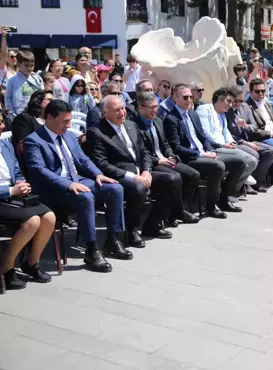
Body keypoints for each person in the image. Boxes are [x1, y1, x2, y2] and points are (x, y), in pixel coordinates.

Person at [24, 100, 128, 272]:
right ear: (49, 118)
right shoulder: (33, 141)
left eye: (70, 120)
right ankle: (91, 248)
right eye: (65, 121)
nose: (69, 125)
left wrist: (98, 175)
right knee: (86, 197)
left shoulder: (69, 136)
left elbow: (83, 160)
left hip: (77, 180)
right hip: (54, 188)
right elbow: (38, 170)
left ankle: (113, 238)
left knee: (115, 189)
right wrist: (68, 184)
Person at [87, 95, 181, 244]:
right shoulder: (97, 132)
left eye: (123, 108)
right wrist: (132, 176)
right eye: (116, 110)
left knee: (172, 180)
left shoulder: (131, 125)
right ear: (105, 114)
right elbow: (102, 164)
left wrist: (147, 170)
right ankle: (130, 230)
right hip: (118, 175)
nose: (122, 113)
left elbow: (144, 152)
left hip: (140, 172)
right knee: (138, 188)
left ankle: (152, 224)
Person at [164, 83, 239, 216]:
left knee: (239, 162)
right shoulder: (171, 119)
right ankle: (211, 206)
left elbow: (203, 137)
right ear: (174, 98)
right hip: (189, 158)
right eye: (185, 97)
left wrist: (211, 151)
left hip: (203, 153)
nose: (189, 100)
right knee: (218, 166)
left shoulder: (192, 114)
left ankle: (224, 199)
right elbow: (177, 147)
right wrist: (201, 154)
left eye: (190, 97)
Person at [0, 116, 56, 290]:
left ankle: (31, 262)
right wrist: (10, 191)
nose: (3, 125)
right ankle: (6, 268)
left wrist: (19, 183)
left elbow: (16, 169)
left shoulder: (5, 144)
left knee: (49, 217)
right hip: (3, 197)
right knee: (32, 221)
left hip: (13, 195)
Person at [134, 92, 200, 224]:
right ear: (140, 108)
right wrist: (158, 160)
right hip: (152, 162)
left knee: (193, 174)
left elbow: (165, 143)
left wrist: (170, 155)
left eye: (156, 107)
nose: (155, 110)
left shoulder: (157, 121)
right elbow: (141, 152)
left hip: (164, 158)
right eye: (151, 107)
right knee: (175, 178)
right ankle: (178, 212)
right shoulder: (135, 126)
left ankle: (179, 210)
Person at [196, 88, 257, 195]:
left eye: (231, 102)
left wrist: (232, 142)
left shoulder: (222, 114)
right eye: (228, 101)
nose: (230, 105)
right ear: (219, 98)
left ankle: (231, 189)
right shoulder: (204, 109)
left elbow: (226, 132)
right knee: (246, 160)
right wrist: (224, 144)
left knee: (252, 160)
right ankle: (228, 192)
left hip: (225, 146)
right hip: (214, 147)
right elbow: (205, 134)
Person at [226, 86, 273, 192]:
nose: (238, 103)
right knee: (254, 154)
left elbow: (254, 126)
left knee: (271, 151)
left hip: (249, 140)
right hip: (236, 142)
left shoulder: (245, 107)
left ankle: (257, 181)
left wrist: (246, 126)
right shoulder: (227, 111)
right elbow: (228, 134)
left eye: (240, 100)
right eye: (235, 101)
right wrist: (246, 143)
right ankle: (241, 185)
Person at [5, 50, 44, 118]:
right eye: (26, 65)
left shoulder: (37, 79)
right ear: (19, 64)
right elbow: (8, 98)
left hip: (37, 115)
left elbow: (43, 95)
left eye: (32, 65)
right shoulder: (12, 81)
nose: (29, 68)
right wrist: (12, 114)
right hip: (20, 115)